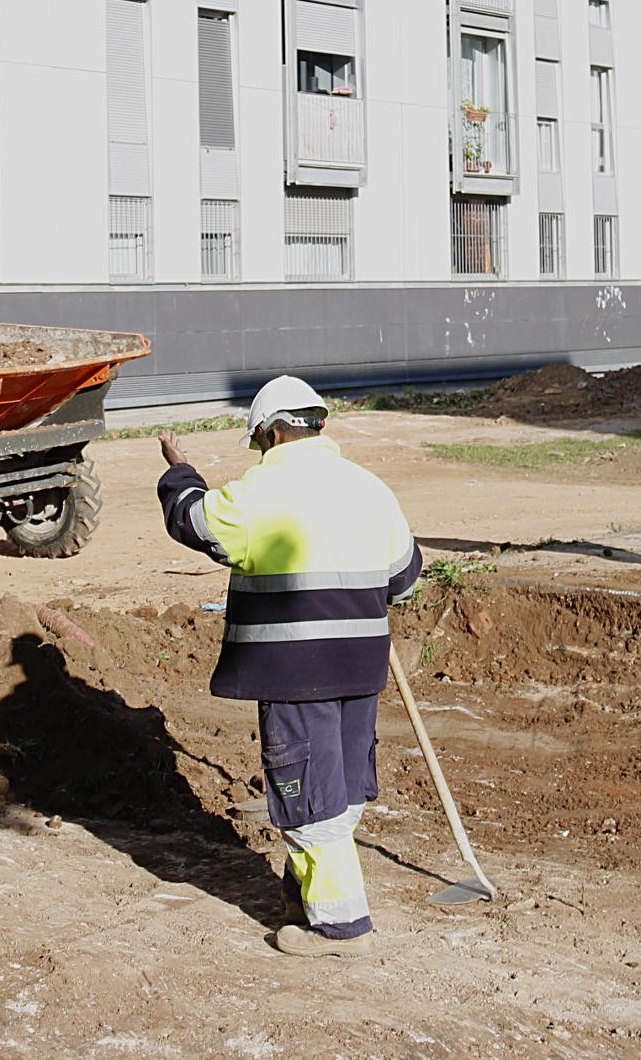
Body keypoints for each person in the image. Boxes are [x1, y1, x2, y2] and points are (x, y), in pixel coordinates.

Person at [158, 375, 423, 957]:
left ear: (274, 432)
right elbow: (404, 579)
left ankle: (340, 924)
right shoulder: (370, 489)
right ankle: (305, 890)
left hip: (294, 670)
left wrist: (179, 470)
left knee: (306, 793)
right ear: (319, 424)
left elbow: (193, 522)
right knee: (345, 786)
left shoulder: (260, 491)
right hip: (359, 665)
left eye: (259, 441)